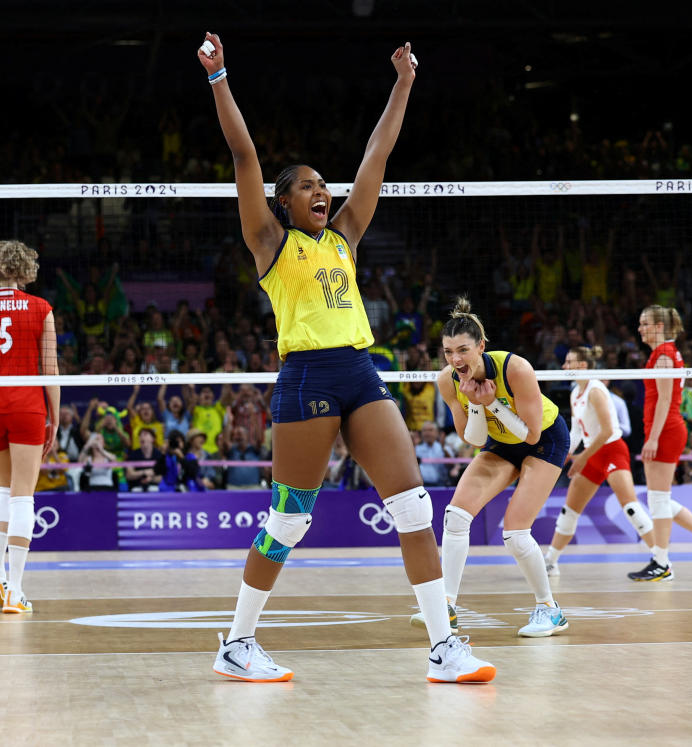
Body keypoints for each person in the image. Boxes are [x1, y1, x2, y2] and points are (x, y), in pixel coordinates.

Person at [198, 33, 492, 684]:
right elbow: (244, 154)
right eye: (306, 188)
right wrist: (219, 78)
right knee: (289, 519)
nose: (321, 192)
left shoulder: (344, 236)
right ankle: (238, 641)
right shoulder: (270, 241)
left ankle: (444, 648)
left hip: (359, 370)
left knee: (414, 507)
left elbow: (376, 154)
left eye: (323, 186)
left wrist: (405, 83)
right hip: (305, 376)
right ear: (283, 202)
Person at [434, 299, 570, 638]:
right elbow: (475, 440)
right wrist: (479, 407)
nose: (456, 360)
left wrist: (492, 401)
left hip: (543, 439)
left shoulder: (516, 369)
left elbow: (531, 433)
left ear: (481, 346)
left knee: (515, 532)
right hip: (499, 440)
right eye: (448, 351)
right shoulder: (448, 381)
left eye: (463, 350)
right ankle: (445, 605)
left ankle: (550, 610)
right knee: (455, 516)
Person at [0, 239, 59, 615]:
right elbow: (50, 370)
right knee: (24, 495)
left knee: (6, 489)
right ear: (24, 270)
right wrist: (54, 416)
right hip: (27, 406)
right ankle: (16, 591)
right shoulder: (41, 308)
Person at [628, 305, 692, 581]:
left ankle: (662, 562)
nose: (640, 329)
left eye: (645, 324)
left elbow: (663, 400)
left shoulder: (663, 355)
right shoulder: (665, 352)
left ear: (659, 327)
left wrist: (652, 438)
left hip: (666, 430)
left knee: (658, 500)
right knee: (660, 499)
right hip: (666, 429)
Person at [542, 346, 655, 576]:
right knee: (569, 512)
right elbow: (576, 432)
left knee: (631, 508)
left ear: (582, 366)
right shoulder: (575, 392)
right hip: (592, 454)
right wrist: (563, 455)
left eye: (569, 362)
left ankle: (661, 559)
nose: (564, 367)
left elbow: (607, 431)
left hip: (612, 450)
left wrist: (582, 457)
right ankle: (550, 562)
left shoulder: (596, 390)